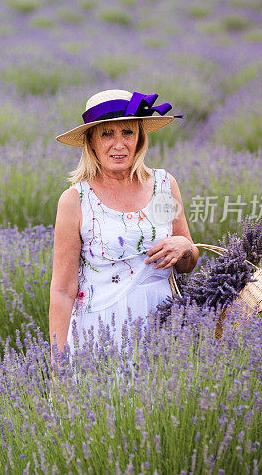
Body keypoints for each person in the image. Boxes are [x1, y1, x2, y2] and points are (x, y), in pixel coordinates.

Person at [49, 89, 199, 362]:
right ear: (91, 142)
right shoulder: (76, 200)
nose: (119, 144)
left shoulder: (164, 186)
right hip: (101, 332)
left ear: (140, 138)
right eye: (107, 134)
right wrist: (58, 362)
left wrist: (185, 247)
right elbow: (62, 290)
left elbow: (188, 262)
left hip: (164, 324)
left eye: (127, 132)